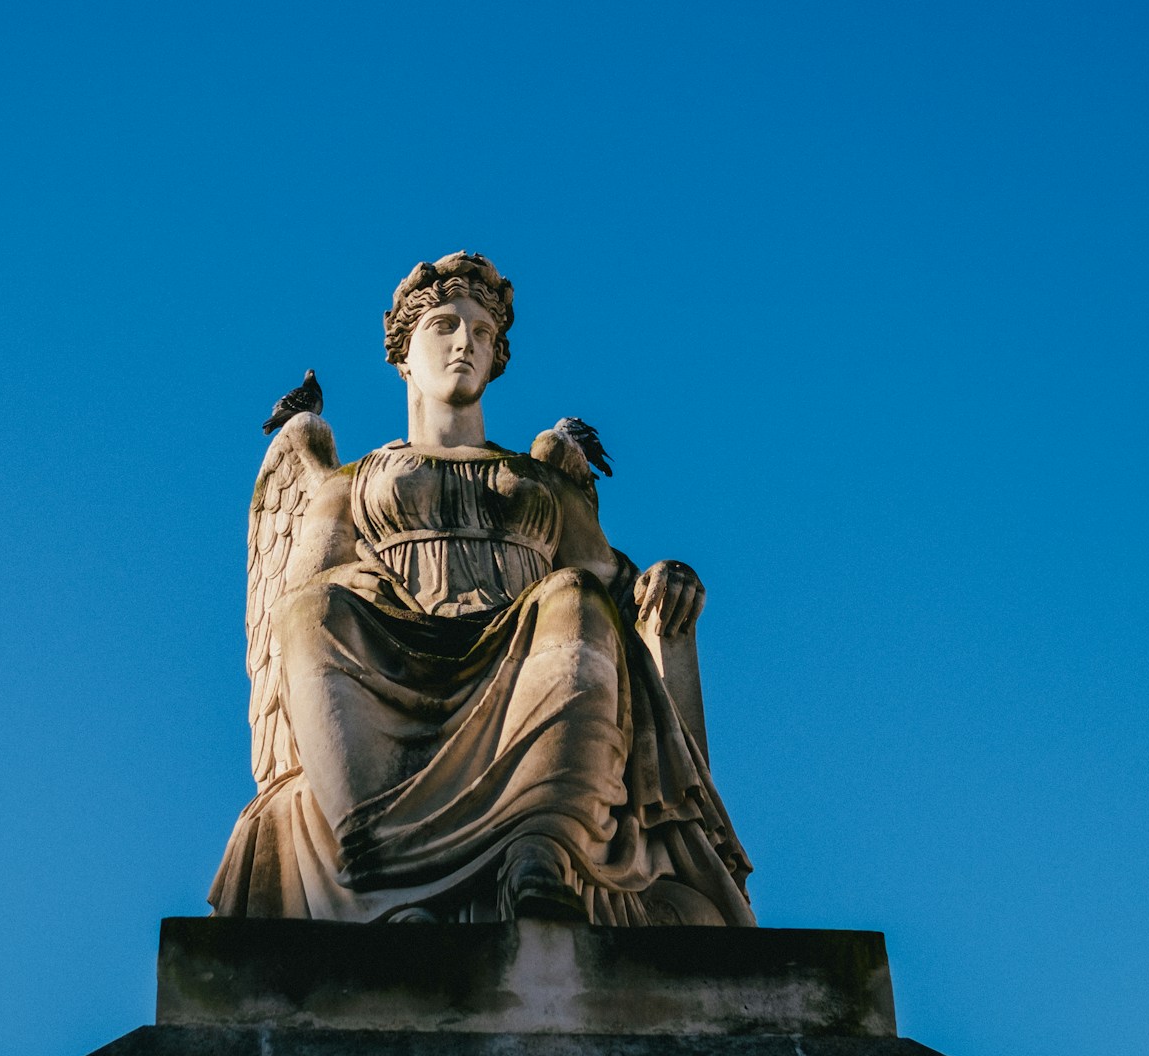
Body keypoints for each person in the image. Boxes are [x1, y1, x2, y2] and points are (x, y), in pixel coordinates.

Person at [211, 253, 753, 925]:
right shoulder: (350, 483)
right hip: (396, 660)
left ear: (497, 356)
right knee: (311, 609)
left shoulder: (544, 478)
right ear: (403, 354)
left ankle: (540, 853)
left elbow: (614, 586)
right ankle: (387, 881)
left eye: (481, 331)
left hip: (527, 662)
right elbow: (301, 599)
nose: (464, 341)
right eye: (443, 325)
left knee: (575, 599)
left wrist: (665, 579)